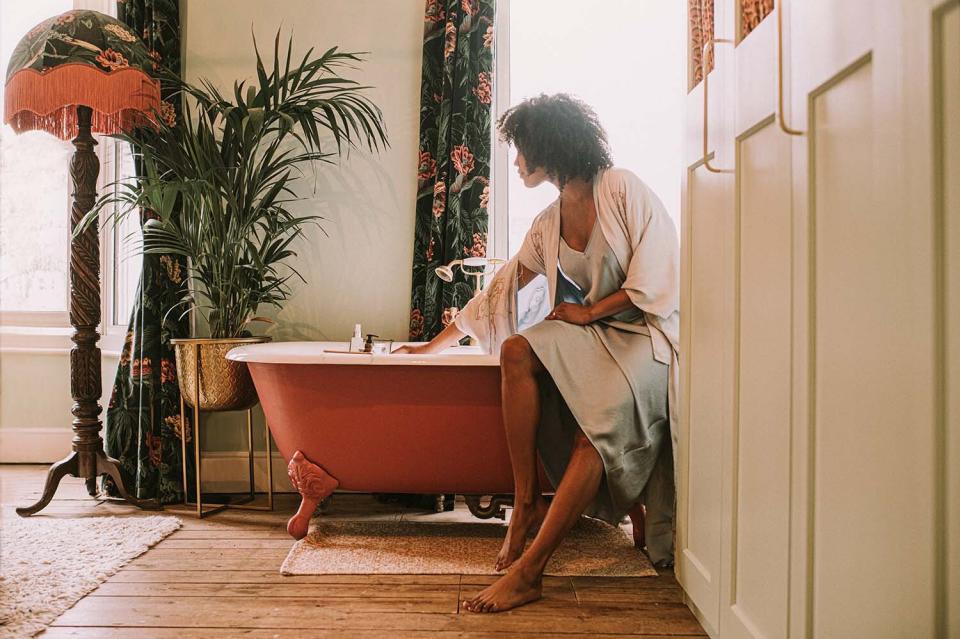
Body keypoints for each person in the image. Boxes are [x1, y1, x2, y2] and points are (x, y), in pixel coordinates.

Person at [396, 93, 680, 613]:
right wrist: (432, 347)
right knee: (518, 350)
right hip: (593, 336)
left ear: (549, 145)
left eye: (521, 148)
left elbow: (658, 275)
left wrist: (590, 313)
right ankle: (525, 500)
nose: (516, 159)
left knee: (597, 431)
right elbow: (501, 290)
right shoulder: (549, 222)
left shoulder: (620, 188)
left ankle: (531, 571)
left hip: (644, 338)